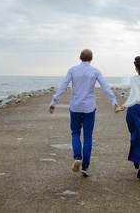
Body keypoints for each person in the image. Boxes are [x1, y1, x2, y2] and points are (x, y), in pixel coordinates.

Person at [49, 49, 120, 177]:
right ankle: (85, 167)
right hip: (89, 107)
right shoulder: (95, 71)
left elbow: (63, 86)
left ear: (80, 57)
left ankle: (77, 157)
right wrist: (113, 101)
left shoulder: (72, 70)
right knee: (88, 136)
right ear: (91, 59)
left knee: (75, 132)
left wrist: (54, 101)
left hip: (75, 106)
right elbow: (105, 86)